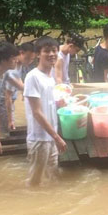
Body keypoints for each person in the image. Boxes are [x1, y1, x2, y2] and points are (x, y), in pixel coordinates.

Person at [24, 36, 67, 187]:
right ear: (37, 54)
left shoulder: (50, 78)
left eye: (54, 51)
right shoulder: (32, 77)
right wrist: (57, 137)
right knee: (35, 181)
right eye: (46, 51)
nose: (51, 54)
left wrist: (59, 103)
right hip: (39, 139)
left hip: (50, 138)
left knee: (52, 177)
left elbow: (47, 104)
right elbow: (36, 112)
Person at [0, 41, 36, 134]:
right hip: (3, 104)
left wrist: (24, 92)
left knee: (8, 129)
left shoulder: (19, 64)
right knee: (7, 130)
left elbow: (18, 80)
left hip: (8, 102)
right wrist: (10, 119)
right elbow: (7, 97)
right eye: (27, 58)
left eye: (32, 59)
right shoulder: (12, 69)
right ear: (21, 53)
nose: (29, 62)